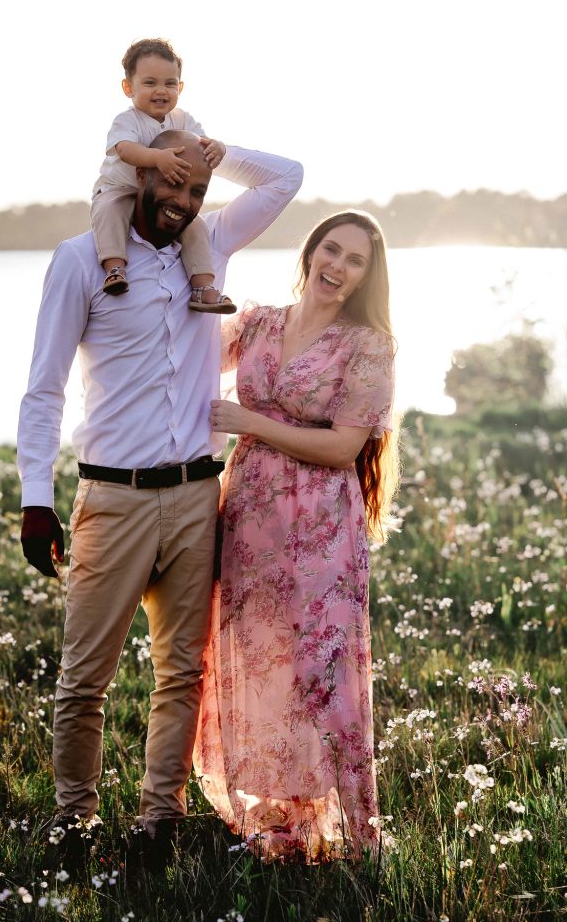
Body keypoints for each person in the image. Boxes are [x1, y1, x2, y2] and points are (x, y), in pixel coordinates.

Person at [18, 130, 303, 868]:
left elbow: (284, 176)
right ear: (136, 175)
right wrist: (33, 498)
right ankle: (75, 825)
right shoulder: (83, 259)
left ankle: (158, 824)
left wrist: (206, 150)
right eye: (168, 184)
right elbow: (44, 388)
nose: (180, 201)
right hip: (110, 499)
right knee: (84, 679)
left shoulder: (210, 255)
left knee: (181, 673)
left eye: (194, 191)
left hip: (193, 499)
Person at [194, 210, 399, 863]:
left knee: (323, 675)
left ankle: (360, 833)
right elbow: (183, 354)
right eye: (330, 249)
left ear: (367, 276)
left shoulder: (366, 345)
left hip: (320, 532)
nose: (336, 266)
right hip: (249, 523)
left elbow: (343, 447)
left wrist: (246, 419)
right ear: (311, 250)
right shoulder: (257, 321)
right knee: (264, 666)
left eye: (354, 260)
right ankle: (282, 820)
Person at [92, 37, 235, 312]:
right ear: (128, 87)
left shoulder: (182, 119)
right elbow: (125, 149)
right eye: (150, 83)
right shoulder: (128, 120)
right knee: (108, 210)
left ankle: (203, 286)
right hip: (121, 189)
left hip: (161, 198)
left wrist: (218, 147)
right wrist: (157, 158)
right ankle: (114, 268)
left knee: (195, 226)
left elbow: (201, 141)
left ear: (180, 87)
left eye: (170, 83)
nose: (161, 90)